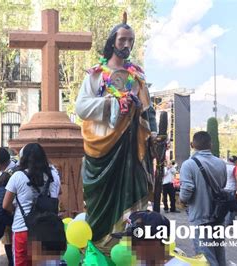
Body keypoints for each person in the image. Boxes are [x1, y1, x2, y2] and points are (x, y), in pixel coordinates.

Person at [74, 12, 156, 251]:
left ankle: (128, 241)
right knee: (100, 200)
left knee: (133, 190)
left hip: (131, 147)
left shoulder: (137, 76)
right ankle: (101, 244)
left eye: (131, 40)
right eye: (122, 40)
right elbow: (81, 108)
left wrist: (154, 135)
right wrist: (112, 103)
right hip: (102, 147)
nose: (127, 45)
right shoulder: (96, 75)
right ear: (112, 42)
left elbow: (148, 111)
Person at [2, 143, 61, 266]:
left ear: (23, 158)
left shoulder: (18, 176)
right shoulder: (54, 176)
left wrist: (16, 208)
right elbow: (58, 193)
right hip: (47, 230)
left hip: (22, 229)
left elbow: (5, 205)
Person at [179, 131, 227, 266]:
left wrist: (182, 200)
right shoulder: (221, 163)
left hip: (200, 217)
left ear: (192, 145)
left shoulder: (188, 164)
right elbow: (222, 185)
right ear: (211, 145)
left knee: (205, 256)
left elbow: (187, 189)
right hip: (218, 215)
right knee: (219, 252)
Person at [0, 147, 17, 266]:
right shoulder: (6, 171)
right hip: (6, 214)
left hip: (12, 213)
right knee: (7, 243)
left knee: (13, 247)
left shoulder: (14, 172)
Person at [224, 156, 237, 226]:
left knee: (225, 204)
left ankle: (228, 219)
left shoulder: (224, 166)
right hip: (231, 188)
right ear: (235, 161)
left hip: (224, 188)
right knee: (231, 205)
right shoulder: (234, 168)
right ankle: (229, 220)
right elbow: (236, 178)